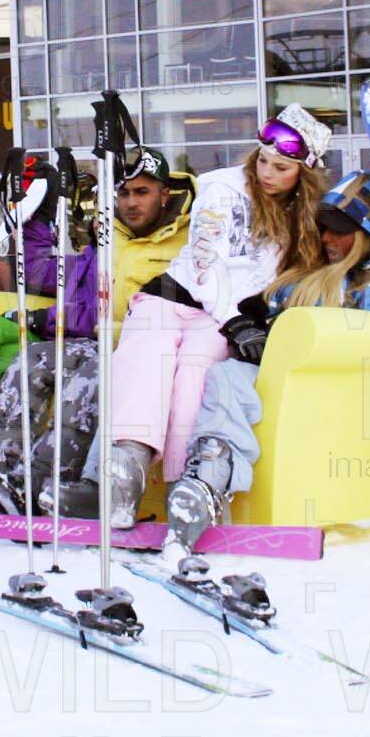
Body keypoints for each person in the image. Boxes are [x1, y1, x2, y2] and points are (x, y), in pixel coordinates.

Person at [0, 147, 196, 512]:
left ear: (164, 194)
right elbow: (51, 275)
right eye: (123, 193)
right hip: (89, 340)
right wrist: (37, 216)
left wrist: (55, 321)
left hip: (139, 350)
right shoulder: (110, 239)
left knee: (88, 378)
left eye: (142, 192)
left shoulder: (185, 242)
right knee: (31, 359)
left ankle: (41, 480)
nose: (131, 203)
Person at [91, 106, 333, 529]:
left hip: (219, 318)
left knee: (195, 375)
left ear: (304, 172)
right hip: (178, 295)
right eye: (262, 161)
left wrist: (250, 320)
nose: (267, 173)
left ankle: (185, 491)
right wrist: (235, 321)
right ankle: (124, 472)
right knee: (145, 357)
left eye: (281, 167)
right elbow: (207, 261)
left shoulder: (302, 215)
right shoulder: (223, 186)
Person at [162, 171, 370, 553]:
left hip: (326, 391)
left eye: (340, 231)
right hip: (282, 377)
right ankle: (206, 472)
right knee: (219, 373)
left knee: (227, 379)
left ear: (368, 234)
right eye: (323, 228)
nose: (328, 239)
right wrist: (251, 324)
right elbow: (261, 306)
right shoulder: (312, 274)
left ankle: (211, 473)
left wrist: (295, 341)